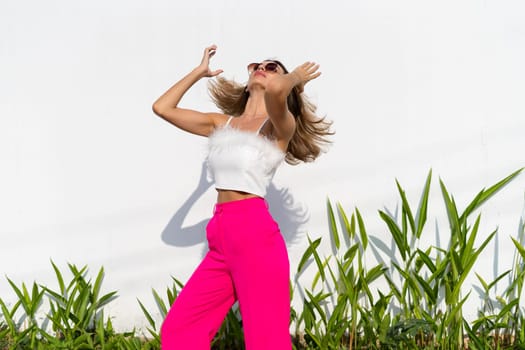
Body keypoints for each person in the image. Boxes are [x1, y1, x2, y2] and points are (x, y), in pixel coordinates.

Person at [152, 45, 332, 350]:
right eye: (256, 65)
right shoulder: (221, 124)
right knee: (179, 332)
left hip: (255, 234)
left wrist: (296, 78)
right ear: (247, 81)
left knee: (266, 342)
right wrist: (199, 72)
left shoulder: (278, 126)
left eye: (272, 66)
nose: (262, 67)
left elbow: (276, 97)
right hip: (220, 234)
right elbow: (162, 108)